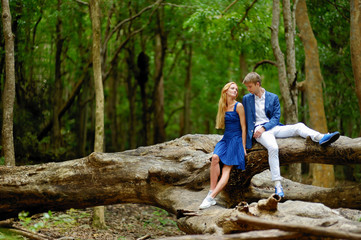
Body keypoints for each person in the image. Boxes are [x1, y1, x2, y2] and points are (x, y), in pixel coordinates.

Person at [242, 72, 340, 197]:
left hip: (273, 127)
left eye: (250, 86)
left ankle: (321, 138)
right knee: (273, 147)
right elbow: (244, 121)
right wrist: (246, 140)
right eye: (247, 87)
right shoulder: (246, 99)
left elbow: (276, 118)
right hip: (258, 132)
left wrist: (264, 127)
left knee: (299, 126)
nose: (248, 89)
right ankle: (278, 186)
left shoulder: (273, 97)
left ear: (258, 84)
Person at [199, 82, 247, 210]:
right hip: (226, 139)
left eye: (236, 89)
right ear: (225, 91)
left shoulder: (239, 106)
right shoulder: (223, 106)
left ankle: (211, 198)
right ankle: (211, 191)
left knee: (227, 169)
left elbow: (244, 127)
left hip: (236, 140)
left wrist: (243, 146)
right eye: (232, 88)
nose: (235, 91)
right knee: (215, 158)